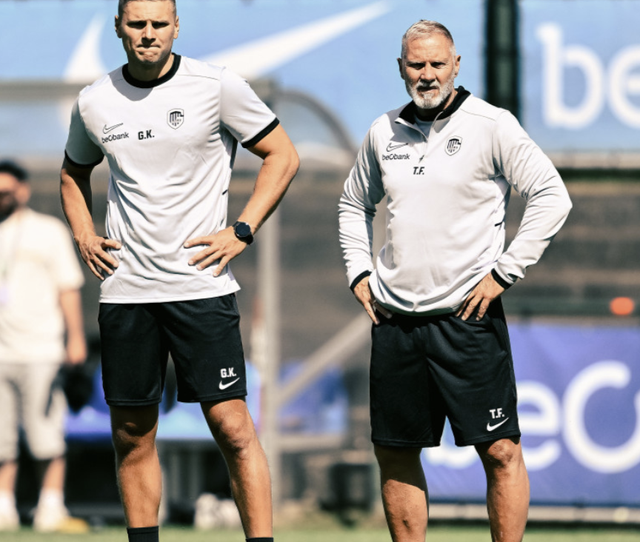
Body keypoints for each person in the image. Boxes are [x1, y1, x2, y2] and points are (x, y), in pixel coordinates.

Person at [59, 1, 299, 541]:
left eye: (158, 23)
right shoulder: (94, 100)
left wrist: (241, 230)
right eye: (136, 24)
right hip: (126, 292)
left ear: (175, 27)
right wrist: (83, 234)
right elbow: (73, 173)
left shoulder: (216, 86)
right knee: (131, 433)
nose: (148, 34)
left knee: (233, 427)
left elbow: (282, 156)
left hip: (200, 287)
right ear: (118, 28)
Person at [338, 20, 572, 542]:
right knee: (395, 452)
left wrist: (504, 272)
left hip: (467, 319)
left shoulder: (492, 124)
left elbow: (552, 196)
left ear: (456, 64)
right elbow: (353, 203)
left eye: (437, 64)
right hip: (396, 322)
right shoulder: (382, 131)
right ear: (401, 68)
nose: (427, 74)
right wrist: (358, 270)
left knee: (501, 450)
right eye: (416, 64)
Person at [0, 160, 88, 533]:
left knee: (45, 434)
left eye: (6, 191)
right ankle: (4, 506)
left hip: (41, 350)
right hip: (1, 353)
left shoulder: (48, 231)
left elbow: (68, 287)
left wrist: (75, 338)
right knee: (2, 437)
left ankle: (50, 505)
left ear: (22, 190)